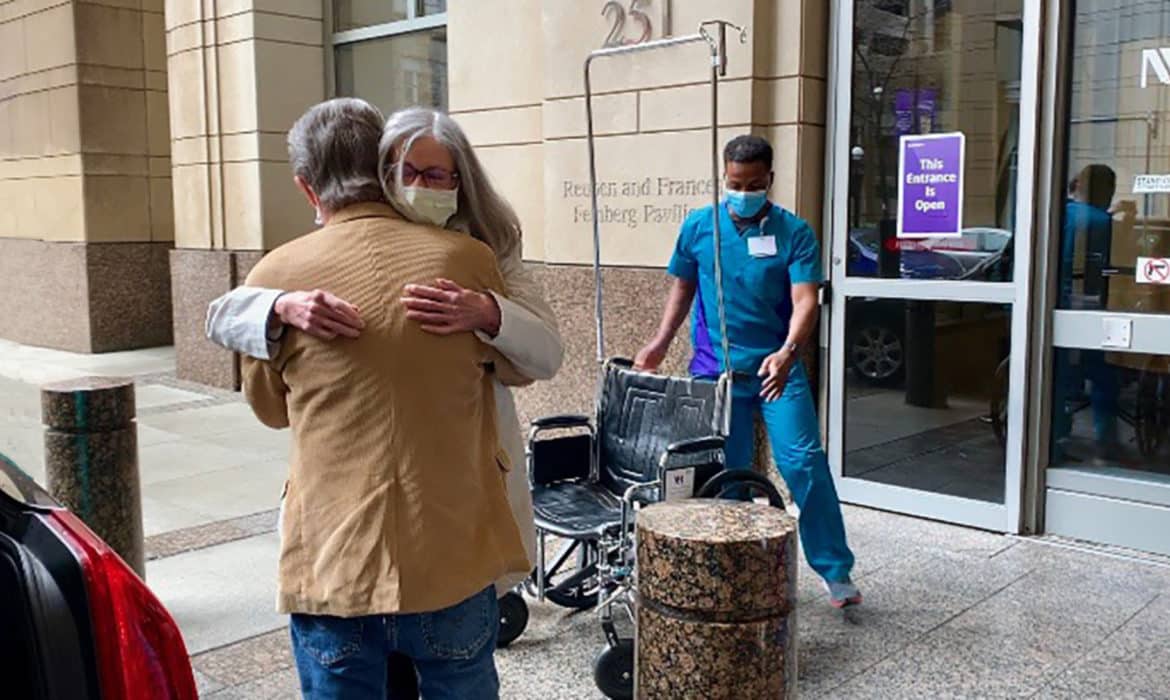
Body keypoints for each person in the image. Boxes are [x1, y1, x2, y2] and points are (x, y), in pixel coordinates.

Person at [206, 106, 563, 698]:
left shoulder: (277, 272)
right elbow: (520, 370)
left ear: (305, 185)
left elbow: (271, 410)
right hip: (451, 552)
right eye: (414, 173)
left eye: (438, 176)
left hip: (334, 561)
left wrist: (278, 312)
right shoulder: (465, 260)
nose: (424, 187)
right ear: (385, 166)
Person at [633, 134, 861, 608]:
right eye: (735, 182)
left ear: (770, 180)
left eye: (754, 183)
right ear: (724, 177)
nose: (743, 191)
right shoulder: (700, 227)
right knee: (725, 475)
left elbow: (805, 300)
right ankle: (731, 569)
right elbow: (682, 291)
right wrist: (659, 343)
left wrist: (789, 350)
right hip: (715, 373)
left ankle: (835, 568)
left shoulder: (793, 233)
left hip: (777, 368)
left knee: (802, 462)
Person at [1054, 164, 1120, 455]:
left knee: (1057, 374)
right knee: (1104, 374)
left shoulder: (1058, 215)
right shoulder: (1105, 223)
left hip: (1058, 303)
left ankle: (1056, 432)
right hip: (1095, 306)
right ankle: (1106, 436)